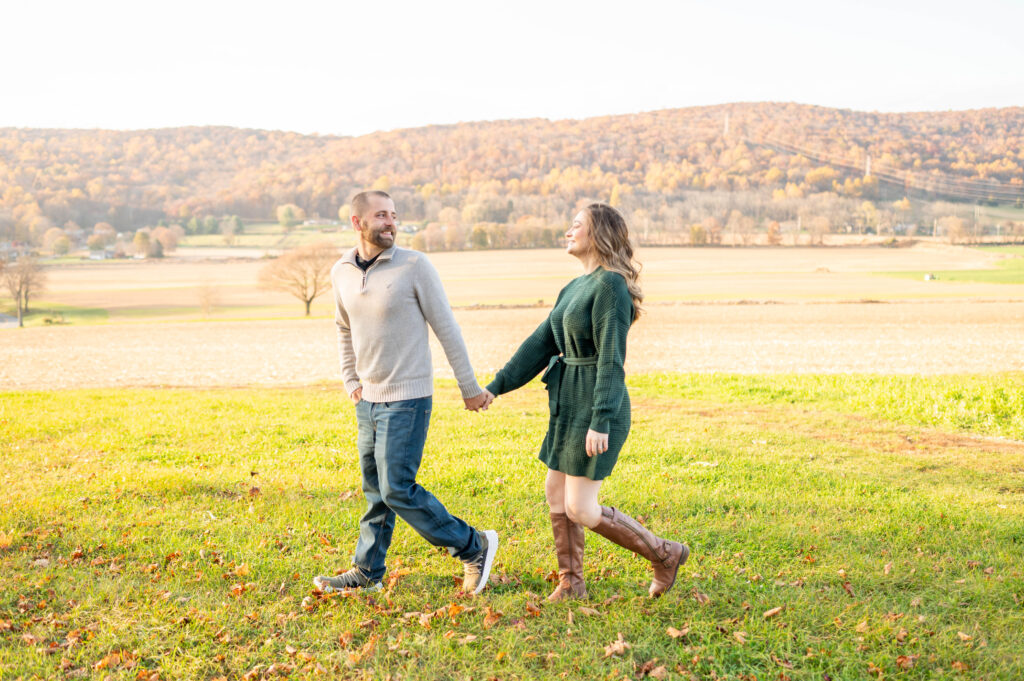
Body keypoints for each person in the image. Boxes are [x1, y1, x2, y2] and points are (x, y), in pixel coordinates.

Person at [482, 203, 687, 600]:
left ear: (599, 234)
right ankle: (571, 584)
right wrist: (497, 386)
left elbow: (612, 358)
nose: (568, 230)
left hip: (597, 404)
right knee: (556, 494)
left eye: (577, 225)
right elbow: (540, 343)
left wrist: (602, 419)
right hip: (568, 402)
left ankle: (665, 554)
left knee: (582, 508)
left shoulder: (610, 286)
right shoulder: (574, 287)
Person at [313, 190, 498, 596]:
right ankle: (366, 572)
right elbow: (343, 328)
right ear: (357, 222)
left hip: (408, 396)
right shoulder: (341, 270)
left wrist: (469, 387)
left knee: (397, 486)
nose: (390, 222)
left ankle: (473, 545)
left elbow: (446, 327)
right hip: (369, 398)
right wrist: (351, 381)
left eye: (394, 215)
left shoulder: (415, 265)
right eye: (381, 215)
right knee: (376, 491)